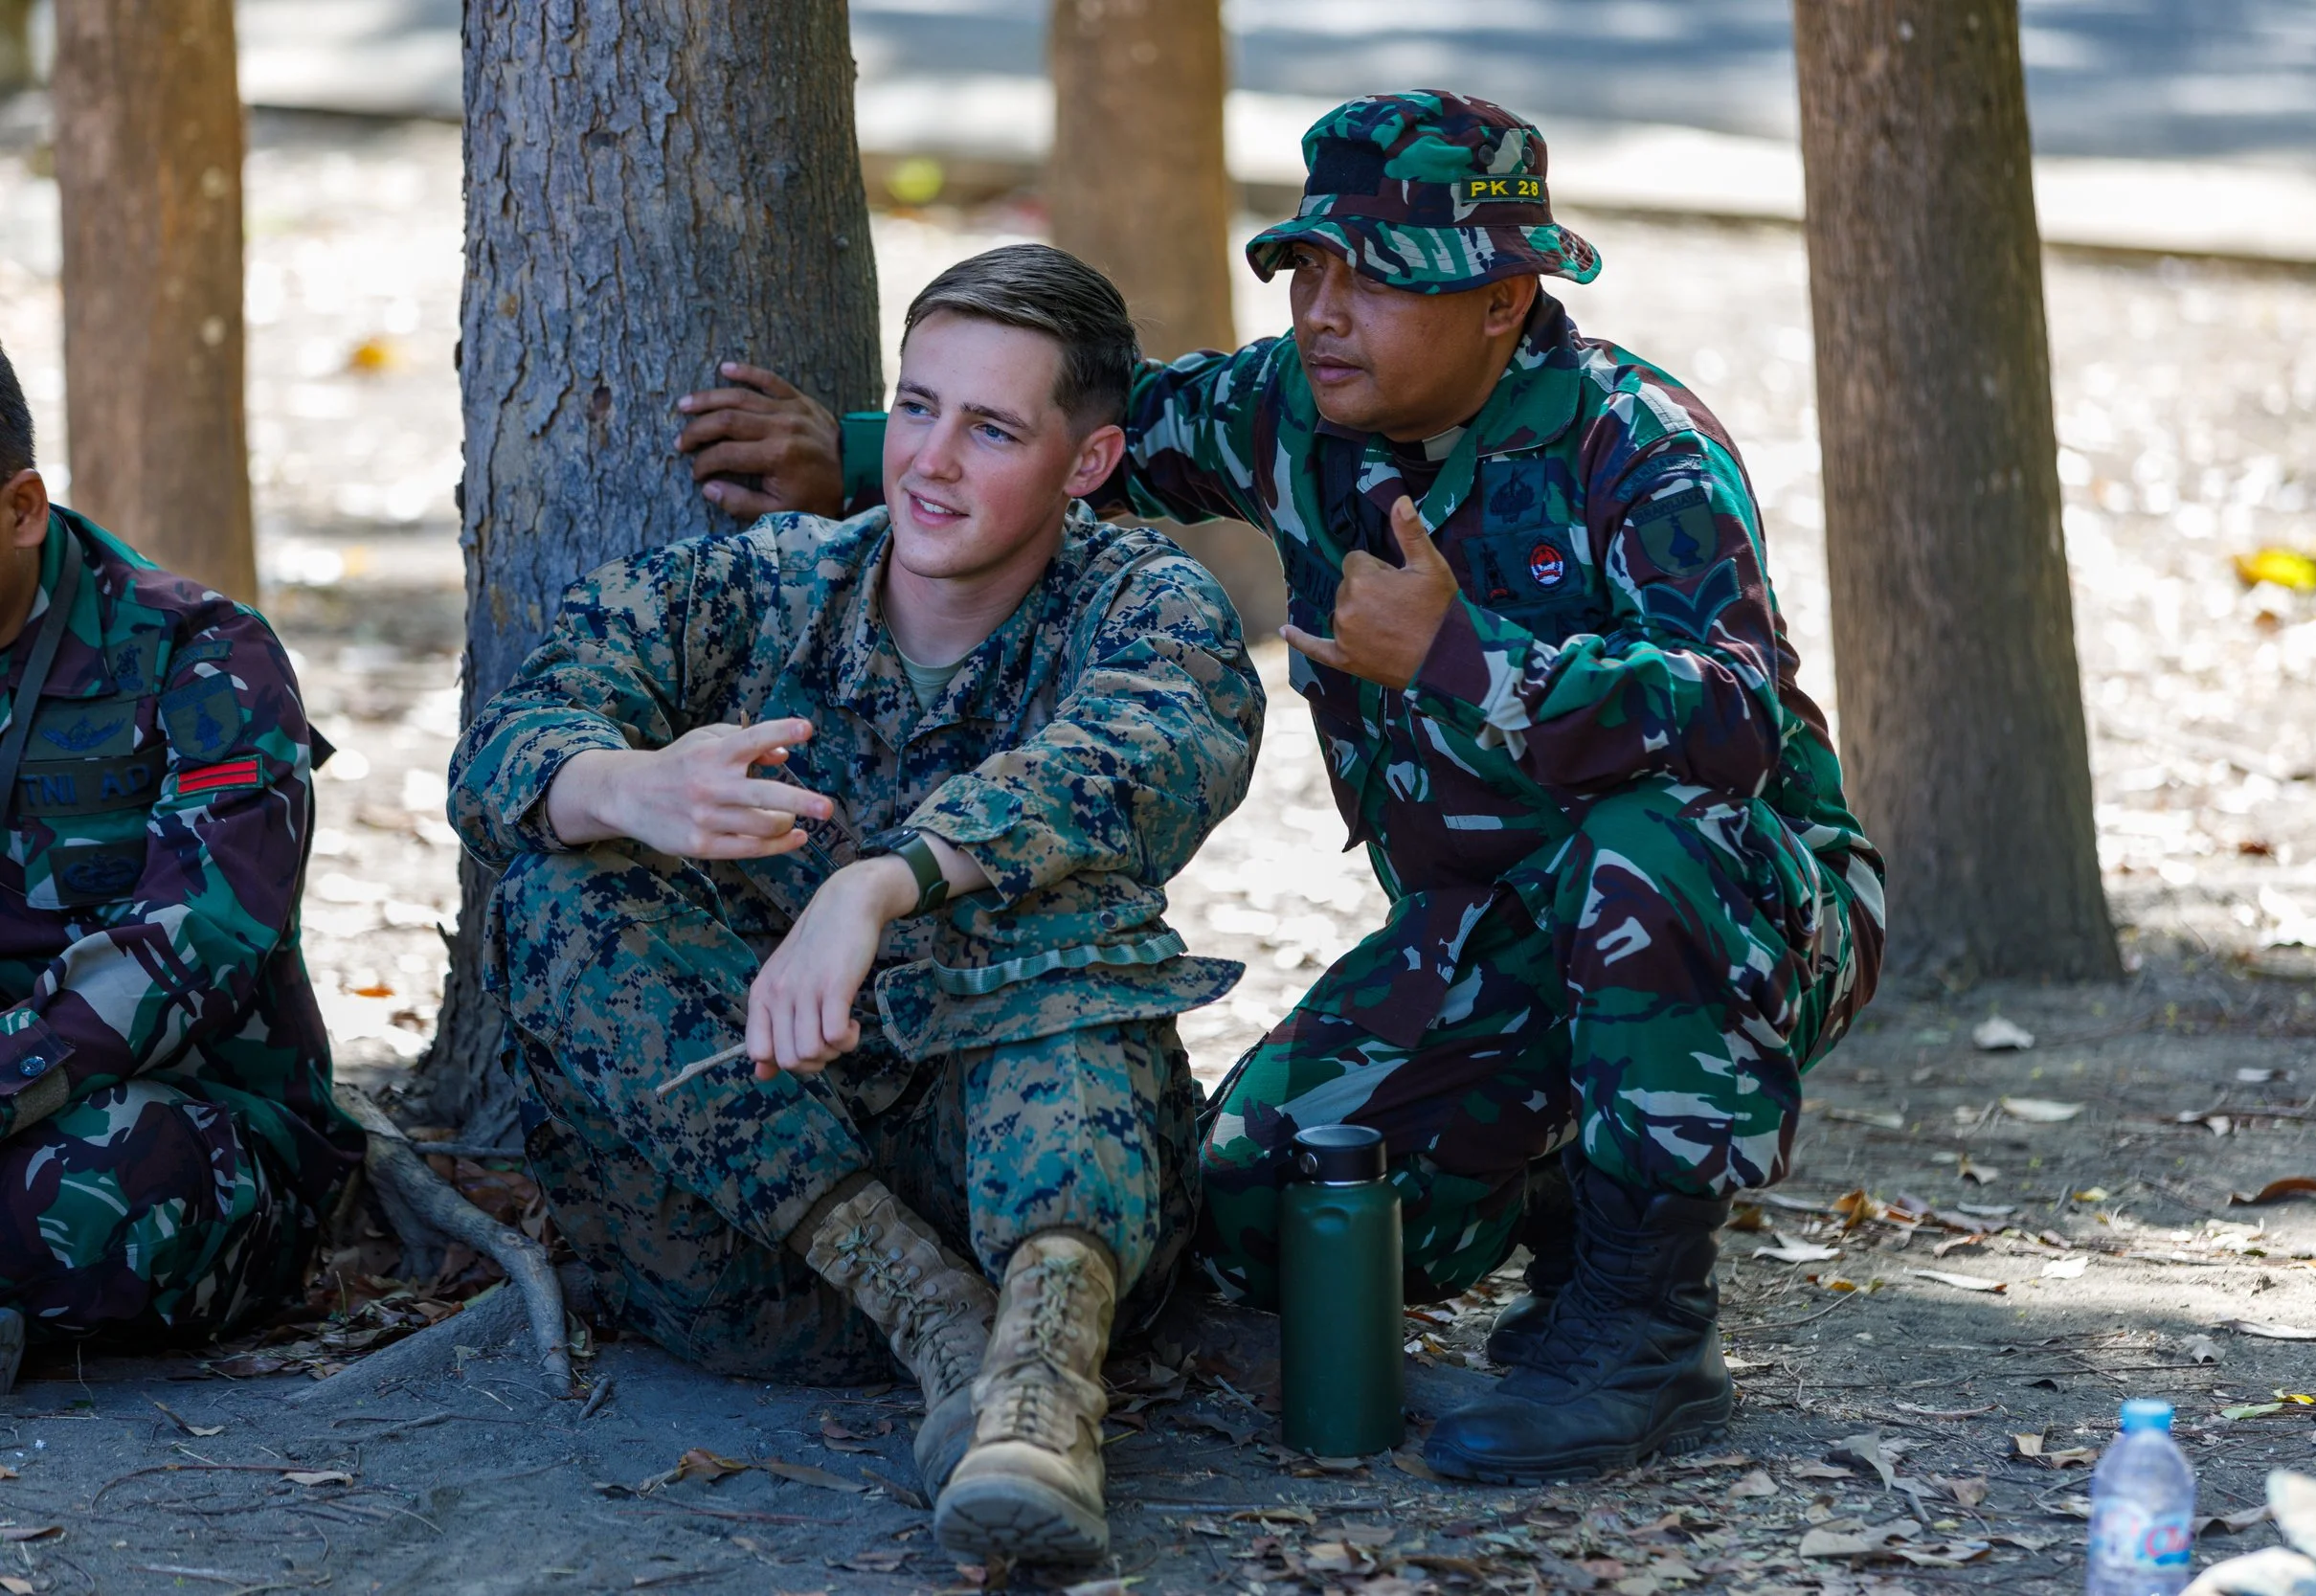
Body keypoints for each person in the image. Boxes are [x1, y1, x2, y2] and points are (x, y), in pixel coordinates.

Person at [679, 91, 1887, 1482]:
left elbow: (1737, 717)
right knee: (1260, 1199)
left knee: (1650, 831)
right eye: (1311, 267)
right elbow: (1105, 426)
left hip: (1742, 914)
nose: (1323, 309)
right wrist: (853, 446)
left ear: (1503, 300)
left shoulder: (1637, 444)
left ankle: (1642, 1324)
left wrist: (1464, 657)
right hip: (1495, 927)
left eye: (1377, 280)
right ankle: (1574, 1165)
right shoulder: (1292, 412)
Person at [455, 245, 1262, 1562]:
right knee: (564, 885)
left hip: (1044, 1217)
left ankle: (1043, 1388)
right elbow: (509, 740)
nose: (931, 460)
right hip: (752, 1245)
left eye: (993, 427)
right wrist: (628, 783)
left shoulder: (1143, 605)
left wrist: (880, 885)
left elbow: (1146, 755)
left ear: (1089, 463)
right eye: (920, 406)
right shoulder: (764, 584)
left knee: (1055, 899)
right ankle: (942, 1330)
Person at [0, 343, 356, 1391]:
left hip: (178, 1110)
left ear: (21, 509)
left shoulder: (201, 657)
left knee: (96, 1178)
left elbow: (194, 952)